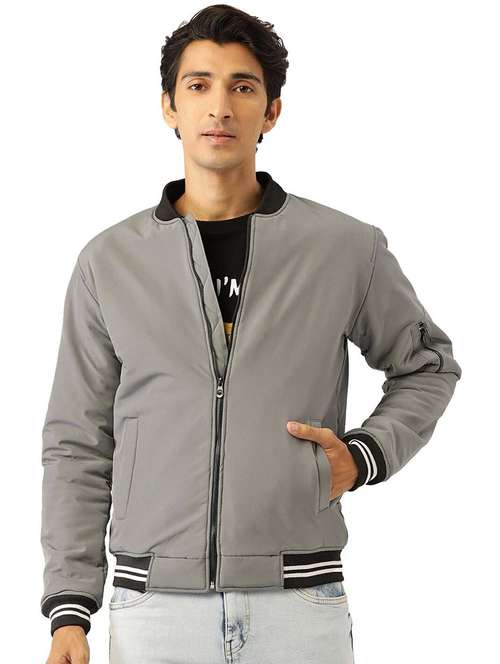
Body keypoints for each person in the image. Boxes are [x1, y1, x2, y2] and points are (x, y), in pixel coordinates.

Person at [41, 4, 462, 663]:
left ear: (271, 112)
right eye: (198, 85)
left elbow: (427, 365)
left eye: (242, 86)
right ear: (169, 106)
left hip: (299, 603)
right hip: (154, 609)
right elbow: (77, 440)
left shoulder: (344, 248)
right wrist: (70, 609)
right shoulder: (110, 262)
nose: (220, 107)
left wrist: (365, 455)